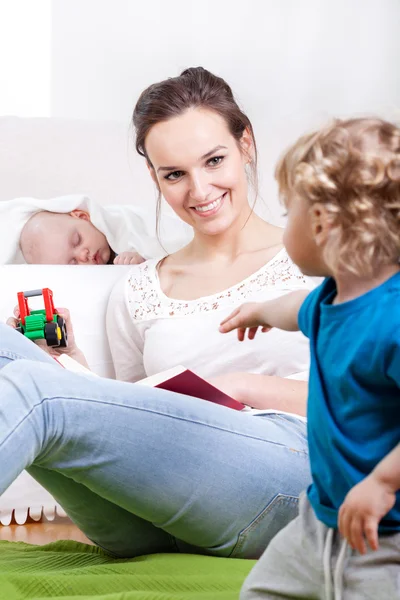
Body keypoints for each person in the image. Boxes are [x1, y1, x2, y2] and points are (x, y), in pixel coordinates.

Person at [1, 67, 312, 561]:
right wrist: (66, 358)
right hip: (149, 518)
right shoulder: (139, 287)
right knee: (7, 351)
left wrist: (242, 388)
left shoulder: (320, 258)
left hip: (288, 478)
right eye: (175, 174)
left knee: (38, 396)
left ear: (245, 143)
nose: (199, 190)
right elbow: (130, 413)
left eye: (213, 160)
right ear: (155, 176)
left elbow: (378, 404)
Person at [219, 117, 400, 599]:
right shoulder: (328, 299)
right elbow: (294, 309)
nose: (283, 226)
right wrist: (259, 310)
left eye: (287, 211)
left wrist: (384, 482)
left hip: (385, 537)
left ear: (320, 223)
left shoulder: (393, 320)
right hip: (315, 522)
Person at [19, 209, 144, 265]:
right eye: (73, 263)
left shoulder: (125, 228)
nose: (83, 255)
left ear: (83, 217)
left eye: (77, 240)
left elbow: (156, 245)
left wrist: (141, 258)